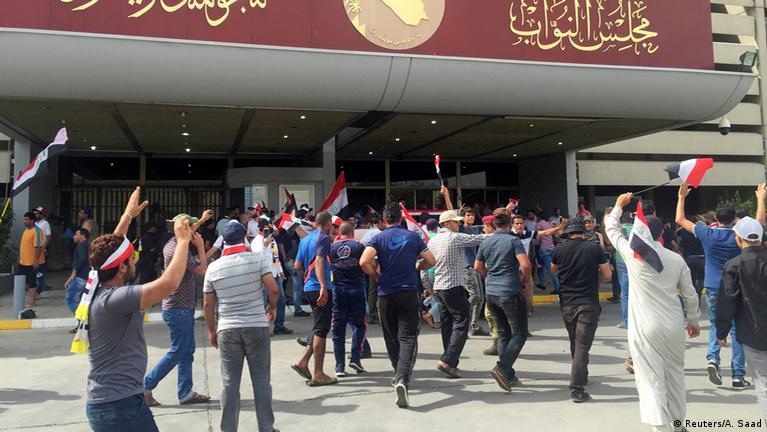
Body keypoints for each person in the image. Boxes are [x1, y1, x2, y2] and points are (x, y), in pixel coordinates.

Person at [78, 187, 194, 431]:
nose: (135, 261)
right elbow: (169, 283)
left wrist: (128, 216)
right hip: (119, 406)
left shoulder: (96, 284)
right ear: (121, 267)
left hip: (116, 402)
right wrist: (183, 240)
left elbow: (110, 252)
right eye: (131, 259)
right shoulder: (116, 299)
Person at [607, 193, 701, 432]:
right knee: (675, 376)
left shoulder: (632, 255)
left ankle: (661, 427)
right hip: (673, 325)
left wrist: (618, 206)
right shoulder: (675, 259)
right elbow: (690, 294)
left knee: (650, 379)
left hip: (645, 328)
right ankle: (678, 425)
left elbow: (612, 230)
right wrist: (693, 321)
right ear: (662, 234)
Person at [202, 219, 281, 432]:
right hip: (256, 325)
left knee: (230, 383)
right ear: (244, 237)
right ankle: (266, 427)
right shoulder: (257, 260)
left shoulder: (213, 268)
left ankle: (228, 429)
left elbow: (208, 304)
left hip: (227, 328)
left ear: (224, 240)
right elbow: (273, 289)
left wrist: (212, 330)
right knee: (261, 380)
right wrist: (272, 307)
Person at [675, 183, 750, 390]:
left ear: (716, 218)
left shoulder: (707, 234)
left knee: (716, 324)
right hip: (736, 287)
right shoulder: (739, 237)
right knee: (737, 330)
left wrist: (681, 197)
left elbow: (680, 220)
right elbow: (759, 223)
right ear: (734, 219)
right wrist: (760, 200)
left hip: (714, 286)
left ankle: (713, 359)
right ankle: (738, 376)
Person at [360, 202, 435, 408]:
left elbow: (364, 261)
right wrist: (418, 265)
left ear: (384, 219)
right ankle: (403, 377)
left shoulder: (378, 238)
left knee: (391, 337)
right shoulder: (413, 237)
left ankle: (397, 373)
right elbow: (431, 260)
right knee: (408, 337)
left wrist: (377, 276)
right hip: (408, 292)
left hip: (386, 293)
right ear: (401, 218)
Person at [144, 211, 213, 406]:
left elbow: (187, 231)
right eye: (190, 227)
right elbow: (201, 270)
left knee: (187, 350)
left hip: (181, 307)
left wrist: (202, 220)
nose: (194, 231)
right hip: (178, 308)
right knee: (179, 350)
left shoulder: (173, 242)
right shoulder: (179, 250)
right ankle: (146, 385)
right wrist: (201, 247)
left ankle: (185, 392)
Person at [551, 218, 612, 403]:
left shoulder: (559, 249)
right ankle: (577, 387)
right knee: (582, 345)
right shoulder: (593, 248)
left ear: (568, 233)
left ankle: (581, 375)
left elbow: (553, 269)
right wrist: (593, 273)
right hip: (588, 302)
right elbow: (608, 274)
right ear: (583, 232)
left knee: (575, 341)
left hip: (567, 303)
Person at [475, 208, 531, 393]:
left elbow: (478, 267)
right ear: (509, 224)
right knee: (520, 333)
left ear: (494, 224)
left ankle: (508, 375)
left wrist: (490, 277)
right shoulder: (513, 240)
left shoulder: (486, 241)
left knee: (503, 333)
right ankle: (503, 368)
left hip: (492, 292)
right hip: (509, 291)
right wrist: (524, 280)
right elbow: (525, 265)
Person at [717, 216, 767, 419]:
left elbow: (727, 300)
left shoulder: (733, 266)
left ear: (738, 239)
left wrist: (721, 331)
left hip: (753, 334)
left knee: (763, 382)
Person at [429, 210, 486, 378]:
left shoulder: (433, 240)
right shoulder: (454, 237)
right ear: (447, 224)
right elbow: (479, 239)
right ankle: (448, 360)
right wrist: (497, 233)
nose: (458, 224)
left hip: (439, 286)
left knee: (448, 324)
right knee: (462, 321)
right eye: (455, 222)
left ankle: (450, 361)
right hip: (452, 286)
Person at [291, 211, 337, 387]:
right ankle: (318, 374)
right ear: (328, 223)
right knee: (321, 331)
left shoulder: (305, 240)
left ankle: (303, 362)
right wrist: (323, 285)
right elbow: (318, 261)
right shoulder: (323, 238)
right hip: (320, 287)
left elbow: (297, 265)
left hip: (309, 287)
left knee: (319, 327)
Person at [441, 186, 487, 336]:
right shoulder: (461, 229)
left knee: (480, 298)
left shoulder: (477, 229)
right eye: (467, 215)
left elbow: (494, 222)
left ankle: (473, 325)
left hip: (475, 268)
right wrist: (447, 196)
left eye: (472, 215)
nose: (470, 217)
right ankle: (462, 319)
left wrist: (509, 208)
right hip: (467, 268)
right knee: (476, 297)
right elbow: (451, 214)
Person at [329, 222, 368, 377]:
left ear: (339, 232)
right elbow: (367, 263)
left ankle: (339, 366)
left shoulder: (331, 248)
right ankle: (355, 357)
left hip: (339, 291)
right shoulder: (359, 246)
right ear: (353, 232)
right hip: (357, 289)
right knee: (359, 325)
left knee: (338, 329)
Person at [252, 219, 293, 335]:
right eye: (270, 225)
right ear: (265, 226)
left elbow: (275, 255)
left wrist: (280, 270)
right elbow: (257, 256)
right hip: (264, 275)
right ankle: (262, 328)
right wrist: (265, 245)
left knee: (281, 299)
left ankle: (279, 325)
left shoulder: (272, 239)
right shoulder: (257, 241)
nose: (272, 227)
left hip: (275, 273)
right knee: (263, 301)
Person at [361, 211, 386, 323]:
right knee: (376, 288)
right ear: (379, 222)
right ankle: (374, 314)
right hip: (375, 261)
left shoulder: (369, 232)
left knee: (371, 289)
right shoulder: (378, 233)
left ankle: (372, 313)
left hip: (368, 261)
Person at [18, 211, 45, 309]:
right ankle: (34, 296)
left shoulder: (37, 231)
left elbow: (38, 247)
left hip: (31, 262)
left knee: (31, 282)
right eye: (24, 219)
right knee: (22, 281)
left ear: (32, 220)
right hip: (23, 261)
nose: (24, 221)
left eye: (26, 220)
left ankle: (31, 301)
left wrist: (35, 261)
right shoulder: (26, 230)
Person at [65, 228, 90, 322]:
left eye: (76, 234)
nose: (74, 237)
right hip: (87, 277)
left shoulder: (81, 245)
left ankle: (82, 321)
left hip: (80, 277)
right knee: (82, 301)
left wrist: (72, 275)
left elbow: (81, 260)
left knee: (71, 300)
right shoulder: (88, 245)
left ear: (83, 235)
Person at [535, 214, 560, 292]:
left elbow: (538, 238)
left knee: (548, 269)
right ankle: (542, 283)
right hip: (551, 248)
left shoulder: (539, 224)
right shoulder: (550, 224)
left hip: (543, 249)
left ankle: (557, 288)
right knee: (542, 267)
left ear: (538, 217)